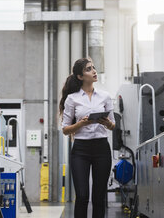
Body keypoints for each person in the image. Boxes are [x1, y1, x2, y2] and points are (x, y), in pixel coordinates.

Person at [59, 58, 115, 218]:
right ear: (80, 76)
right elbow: (65, 129)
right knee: (82, 195)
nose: (94, 71)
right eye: (89, 69)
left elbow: (113, 125)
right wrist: (81, 124)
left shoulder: (104, 96)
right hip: (80, 150)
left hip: (101, 148)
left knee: (99, 196)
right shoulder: (72, 99)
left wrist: (107, 123)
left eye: (93, 68)